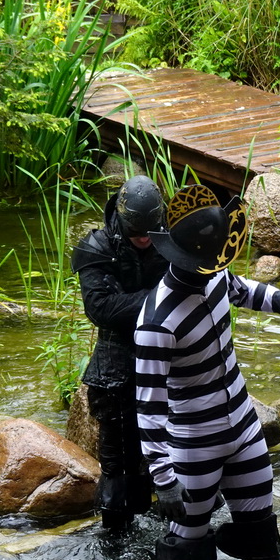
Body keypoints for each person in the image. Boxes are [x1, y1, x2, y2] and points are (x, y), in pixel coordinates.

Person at [135, 184, 280, 560]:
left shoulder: (212, 274)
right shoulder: (156, 323)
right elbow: (149, 408)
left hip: (245, 427)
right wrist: (163, 479)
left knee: (260, 532)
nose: (215, 269)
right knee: (186, 547)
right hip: (194, 445)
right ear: (184, 256)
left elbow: (244, 289)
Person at [71, 174, 170, 532]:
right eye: (136, 232)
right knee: (118, 469)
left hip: (166, 363)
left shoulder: (170, 240)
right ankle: (114, 545)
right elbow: (101, 309)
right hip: (115, 370)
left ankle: (174, 535)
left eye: (150, 231)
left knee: (171, 458)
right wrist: (164, 298)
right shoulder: (97, 247)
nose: (144, 238)